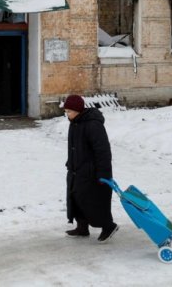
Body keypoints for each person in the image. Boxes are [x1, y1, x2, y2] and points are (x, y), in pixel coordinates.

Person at [62, 94, 119, 242]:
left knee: (93, 201)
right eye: (66, 111)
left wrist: (104, 174)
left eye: (69, 111)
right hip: (77, 169)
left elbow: (103, 150)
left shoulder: (93, 124)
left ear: (78, 110)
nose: (66, 114)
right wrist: (71, 163)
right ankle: (82, 227)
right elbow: (75, 147)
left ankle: (108, 226)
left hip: (92, 172)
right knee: (76, 197)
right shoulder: (74, 123)